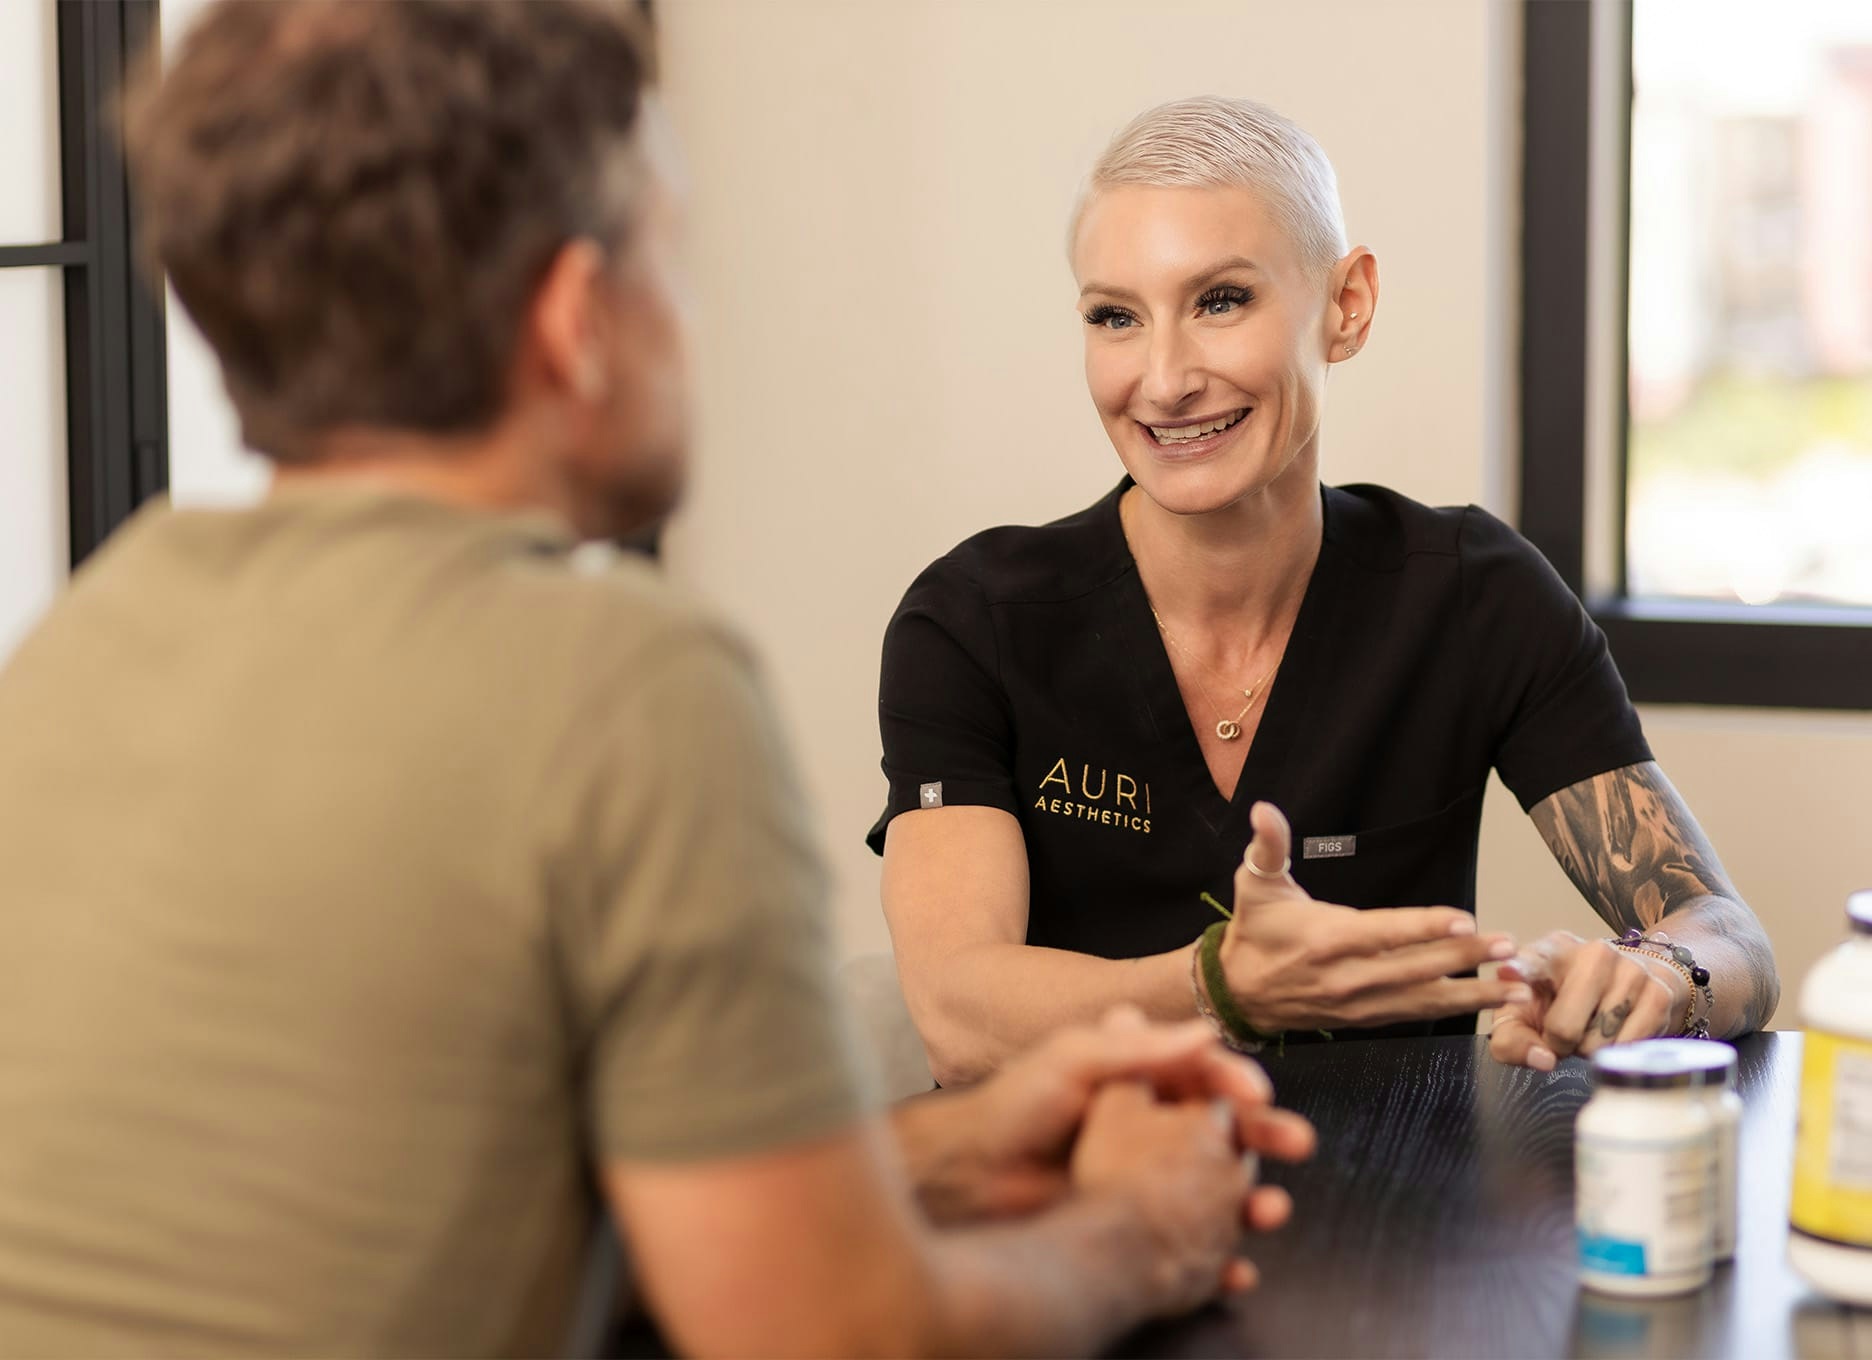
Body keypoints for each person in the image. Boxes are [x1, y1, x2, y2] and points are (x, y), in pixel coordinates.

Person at [0, 10, 1316, 1356]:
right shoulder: (622, 688)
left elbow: (360, 1196)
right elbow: (834, 1335)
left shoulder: (75, 650)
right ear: (579, 320)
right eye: (673, 261)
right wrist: (1141, 1229)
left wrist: (938, 1150)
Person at [869, 96, 1781, 1086]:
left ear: (1346, 306)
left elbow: (1730, 938)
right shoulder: (973, 622)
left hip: (1394, 1212)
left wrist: (1655, 977)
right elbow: (959, 1016)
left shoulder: (1477, 598)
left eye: (1220, 300)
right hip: (1071, 1209)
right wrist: (1220, 986)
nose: (1165, 379)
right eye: (1115, 317)